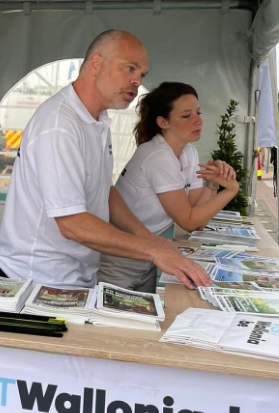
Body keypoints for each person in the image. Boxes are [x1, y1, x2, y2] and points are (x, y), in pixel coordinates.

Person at [0, 30, 211, 289]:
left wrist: (150, 238)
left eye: (142, 74)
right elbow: (72, 224)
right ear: (96, 64)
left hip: (75, 273)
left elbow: (105, 191)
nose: (137, 81)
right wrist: (153, 251)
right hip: (38, 278)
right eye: (130, 68)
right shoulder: (59, 124)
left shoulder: (98, 120)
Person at [98, 83, 240, 291]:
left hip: (148, 253)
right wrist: (231, 190)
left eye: (198, 113)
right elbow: (189, 221)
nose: (198, 120)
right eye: (186, 116)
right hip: (120, 259)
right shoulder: (158, 156)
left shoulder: (188, 152)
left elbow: (197, 219)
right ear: (163, 122)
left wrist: (212, 183)